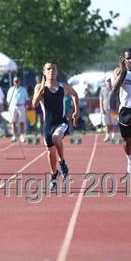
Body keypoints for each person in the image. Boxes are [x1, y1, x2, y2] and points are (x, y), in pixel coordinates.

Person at [32, 62, 79, 191]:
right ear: (44, 72)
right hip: (48, 125)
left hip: (61, 122)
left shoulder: (63, 87)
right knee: (50, 153)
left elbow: (75, 95)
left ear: (57, 72)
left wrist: (77, 111)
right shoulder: (39, 87)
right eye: (49, 69)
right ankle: (54, 175)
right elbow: (34, 104)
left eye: (54, 69)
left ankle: (62, 163)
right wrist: (41, 89)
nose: (51, 71)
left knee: (56, 138)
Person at [6, 76, 29, 142]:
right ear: (13, 82)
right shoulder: (10, 89)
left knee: (22, 122)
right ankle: (14, 136)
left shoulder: (23, 89)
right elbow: (8, 100)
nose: (16, 82)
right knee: (13, 122)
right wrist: (9, 107)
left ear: (19, 82)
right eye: (15, 81)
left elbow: (26, 99)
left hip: (21, 106)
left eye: (17, 81)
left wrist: (26, 107)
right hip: (13, 107)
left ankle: (22, 136)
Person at [99, 77, 119, 142]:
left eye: (110, 81)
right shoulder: (102, 90)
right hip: (105, 109)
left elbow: (118, 100)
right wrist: (102, 109)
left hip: (113, 109)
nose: (109, 82)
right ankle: (107, 136)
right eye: (107, 81)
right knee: (107, 124)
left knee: (114, 124)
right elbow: (101, 100)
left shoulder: (114, 89)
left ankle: (113, 136)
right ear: (105, 82)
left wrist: (117, 109)